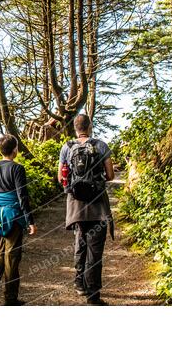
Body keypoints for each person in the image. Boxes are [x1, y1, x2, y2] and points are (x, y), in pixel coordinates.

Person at [58, 114, 115, 306]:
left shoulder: (67, 147)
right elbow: (110, 175)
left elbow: (61, 177)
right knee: (95, 248)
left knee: (80, 242)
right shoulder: (101, 145)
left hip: (75, 205)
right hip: (97, 205)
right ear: (89, 127)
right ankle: (93, 295)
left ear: (75, 128)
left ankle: (79, 283)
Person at [0, 134, 37, 306]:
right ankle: (10, 299)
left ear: (0, 150)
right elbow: (22, 197)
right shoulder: (17, 168)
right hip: (13, 216)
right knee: (12, 257)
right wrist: (30, 221)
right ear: (15, 150)